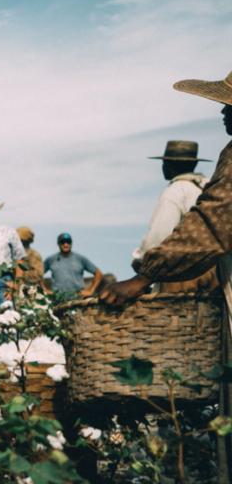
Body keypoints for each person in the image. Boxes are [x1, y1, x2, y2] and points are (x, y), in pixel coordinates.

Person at [100, 71, 232, 483]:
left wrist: (143, 277)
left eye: (229, 107)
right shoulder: (199, 183)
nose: (224, 115)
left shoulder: (178, 190)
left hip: (183, 270)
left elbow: (210, 227)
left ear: (170, 165)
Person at [131, 140, 210, 270]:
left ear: (168, 164)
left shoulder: (175, 191)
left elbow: (159, 236)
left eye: (164, 162)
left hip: (187, 271)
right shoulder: (210, 186)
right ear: (195, 163)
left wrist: (141, 259)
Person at [43, 233, 102, 303]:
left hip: (77, 297)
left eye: (68, 242)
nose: (65, 244)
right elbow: (37, 274)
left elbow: (98, 273)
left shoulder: (80, 259)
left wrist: (90, 290)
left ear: (71, 243)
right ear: (58, 244)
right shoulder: (51, 259)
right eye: (63, 242)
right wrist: (44, 289)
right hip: (56, 298)